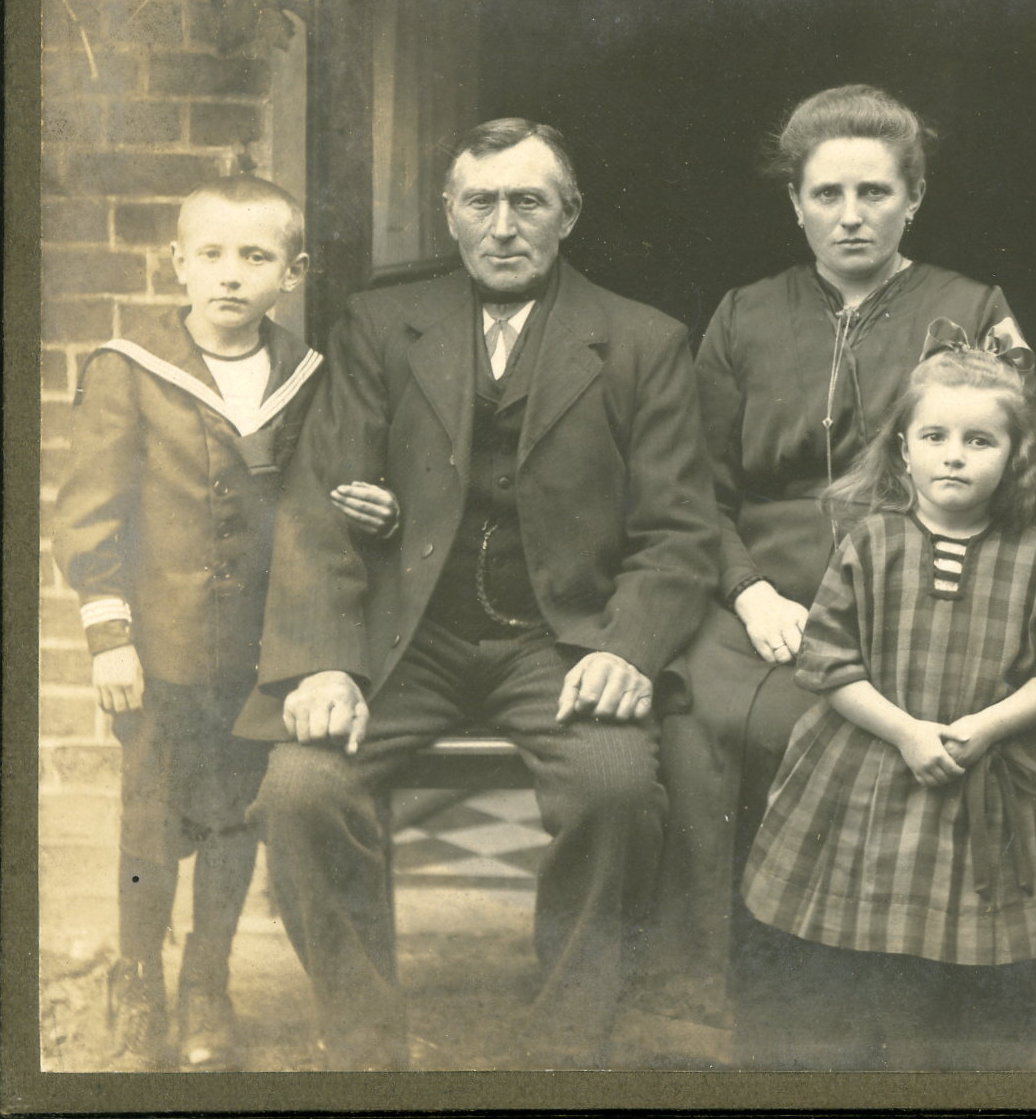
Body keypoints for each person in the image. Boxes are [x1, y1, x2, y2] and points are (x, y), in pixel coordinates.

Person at [240, 118, 719, 1069]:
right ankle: (367, 1041)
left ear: (568, 215)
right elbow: (318, 503)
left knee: (617, 789)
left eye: (528, 202)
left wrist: (626, 647)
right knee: (299, 789)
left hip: (560, 642)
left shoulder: (642, 341)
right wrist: (324, 661)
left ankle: (563, 1045)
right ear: (449, 215)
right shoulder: (381, 326)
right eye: (481, 202)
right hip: (402, 640)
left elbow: (678, 529)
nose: (503, 226)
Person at [647, 85, 1032, 1027]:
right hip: (761, 596)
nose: (850, 215)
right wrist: (746, 590)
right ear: (795, 203)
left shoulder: (970, 308)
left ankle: (849, 991)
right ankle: (706, 992)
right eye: (826, 194)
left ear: (914, 197)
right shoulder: (743, 314)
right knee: (698, 712)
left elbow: (1015, 482)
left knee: (825, 724)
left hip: (913, 597)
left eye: (874, 192)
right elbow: (694, 489)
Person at [51, 175, 380, 1069]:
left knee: (237, 817)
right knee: (150, 820)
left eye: (255, 256)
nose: (231, 273)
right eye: (211, 254)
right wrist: (109, 635)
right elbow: (88, 513)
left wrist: (371, 507)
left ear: (292, 274)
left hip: (257, 654)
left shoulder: (306, 377)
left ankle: (207, 981)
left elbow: (317, 505)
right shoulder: (130, 368)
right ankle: (137, 980)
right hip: (158, 651)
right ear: (179, 264)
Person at [738, 338, 1036, 1068]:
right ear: (903, 450)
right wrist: (905, 731)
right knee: (856, 930)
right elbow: (827, 659)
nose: (954, 456)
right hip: (866, 763)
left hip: (986, 770)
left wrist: (988, 726)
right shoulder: (871, 543)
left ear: (1016, 456)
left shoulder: (1034, 555)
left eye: (980, 440)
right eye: (934, 436)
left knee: (972, 937)